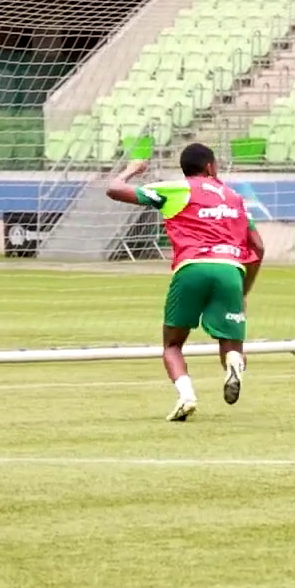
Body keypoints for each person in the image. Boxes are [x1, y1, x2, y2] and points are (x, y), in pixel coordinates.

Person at [108, 142, 263, 422]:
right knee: (231, 341)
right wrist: (245, 289)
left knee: (172, 344)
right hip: (230, 269)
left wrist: (132, 169)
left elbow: (114, 189)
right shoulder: (233, 197)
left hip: (191, 267)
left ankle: (186, 395)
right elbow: (258, 246)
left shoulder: (177, 188)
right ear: (210, 167)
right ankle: (233, 363)